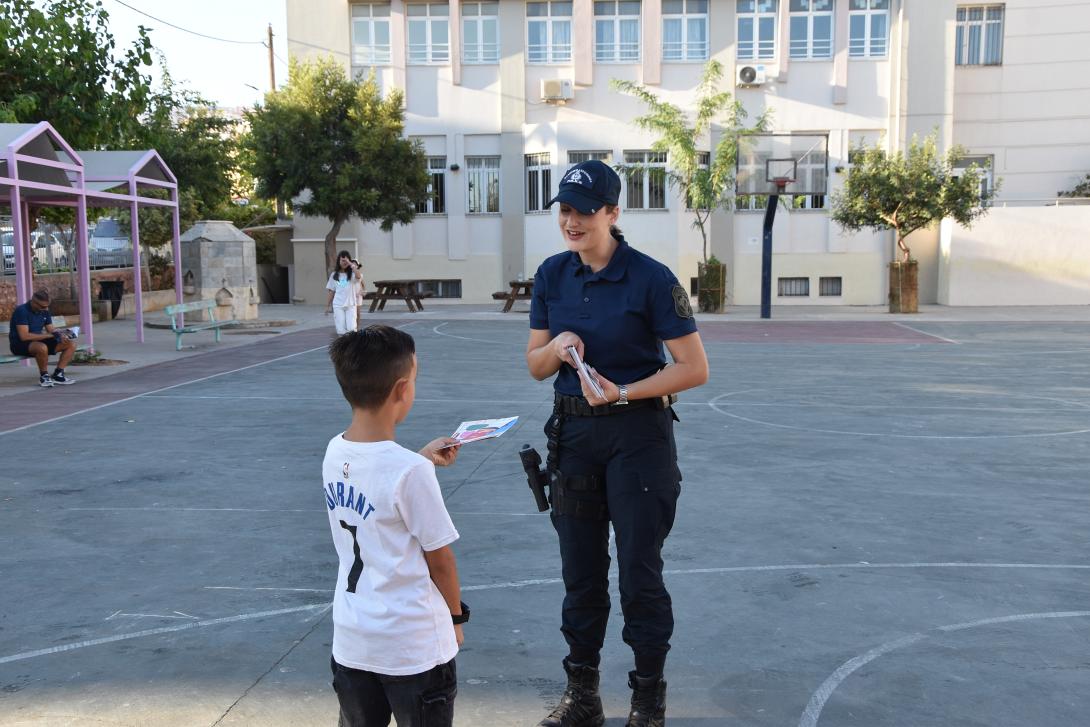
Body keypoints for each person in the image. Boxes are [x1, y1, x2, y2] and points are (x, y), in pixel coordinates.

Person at [525, 160, 710, 727]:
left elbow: (694, 368)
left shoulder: (651, 279)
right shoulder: (552, 275)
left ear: (612, 213)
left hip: (638, 438)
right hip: (574, 437)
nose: (571, 221)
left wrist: (623, 392)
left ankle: (647, 701)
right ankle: (582, 697)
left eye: (584, 211)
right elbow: (534, 366)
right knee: (579, 573)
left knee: (638, 571)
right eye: (564, 210)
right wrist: (557, 350)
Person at [324, 325, 468, 727]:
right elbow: (440, 559)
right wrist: (455, 618)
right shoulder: (409, 473)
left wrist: (420, 458)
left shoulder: (335, 451)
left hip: (354, 639)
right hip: (411, 646)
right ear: (402, 389)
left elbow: (376, 492)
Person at [7, 289, 77, 388]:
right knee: (41, 347)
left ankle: (58, 374)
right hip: (19, 344)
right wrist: (50, 335)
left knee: (70, 344)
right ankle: (44, 376)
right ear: (33, 302)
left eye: (47, 306)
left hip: (38, 341)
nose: (45, 309)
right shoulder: (22, 311)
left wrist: (61, 333)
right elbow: (24, 336)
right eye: (42, 306)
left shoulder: (44, 311)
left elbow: (50, 329)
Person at [326, 251, 364, 335]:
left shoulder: (352, 274)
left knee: (351, 329)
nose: (344, 263)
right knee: (341, 330)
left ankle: (352, 346)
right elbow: (331, 291)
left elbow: (359, 276)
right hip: (338, 305)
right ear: (338, 261)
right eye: (342, 260)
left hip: (351, 305)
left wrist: (351, 264)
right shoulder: (334, 275)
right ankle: (343, 347)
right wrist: (327, 306)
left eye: (346, 260)